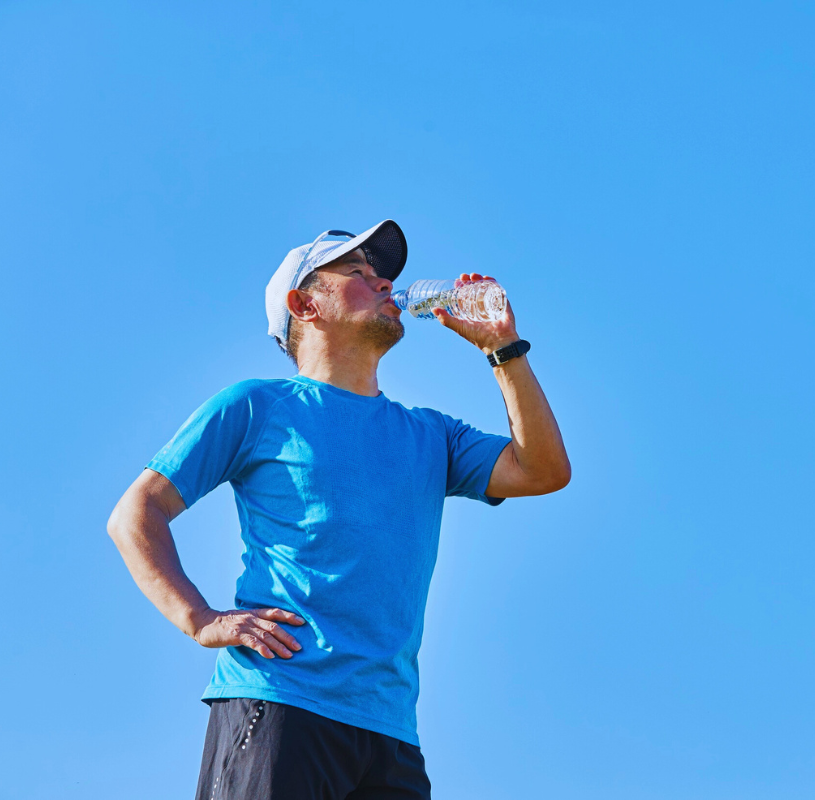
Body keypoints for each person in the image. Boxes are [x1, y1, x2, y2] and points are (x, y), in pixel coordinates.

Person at [106, 221, 570, 800]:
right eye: (357, 273)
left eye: (383, 274)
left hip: (391, 733)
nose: (383, 283)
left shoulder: (432, 435)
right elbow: (135, 515)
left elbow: (544, 471)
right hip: (280, 701)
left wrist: (503, 349)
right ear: (305, 304)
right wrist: (200, 618)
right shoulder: (256, 406)